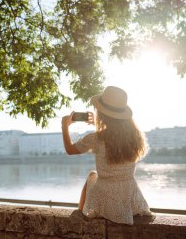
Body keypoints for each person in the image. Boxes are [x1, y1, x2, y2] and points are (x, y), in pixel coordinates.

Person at [61, 86, 153, 225]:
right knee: (95, 175)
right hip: (129, 196)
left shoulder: (96, 139)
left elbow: (70, 150)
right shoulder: (134, 137)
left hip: (104, 196)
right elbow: (112, 137)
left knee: (92, 175)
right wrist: (98, 124)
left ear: (102, 113)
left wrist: (64, 126)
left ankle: (80, 215)